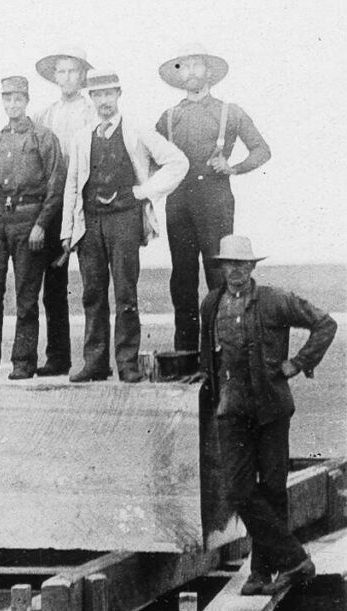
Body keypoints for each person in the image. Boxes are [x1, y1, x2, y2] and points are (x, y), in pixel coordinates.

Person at [198, 238, 332, 594]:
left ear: (253, 267)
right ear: (221, 267)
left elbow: (324, 324)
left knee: (272, 489)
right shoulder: (211, 304)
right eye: (230, 264)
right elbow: (206, 357)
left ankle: (262, 574)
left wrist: (299, 363)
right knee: (239, 491)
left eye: (243, 264)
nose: (236, 270)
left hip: (271, 410)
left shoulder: (275, 300)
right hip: (231, 412)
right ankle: (295, 560)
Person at [155, 43, 272, 354]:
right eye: (184, 66)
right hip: (178, 203)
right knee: (182, 278)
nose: (191, 72)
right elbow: (150, 159)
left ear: (209, 71)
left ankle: (220, 354)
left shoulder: (229, 112)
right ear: (178, 75)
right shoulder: (169, 117)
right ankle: (186, 354)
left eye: (197, 65)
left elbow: (262, 150)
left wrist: (233, 167)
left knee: (217, 275)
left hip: (215, 200)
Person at [65, 73, 181, 383]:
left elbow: (177, 162)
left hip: (124, 221)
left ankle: (127, 362)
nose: (103, 101)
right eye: (97, 95)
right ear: (91, 97)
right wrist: (69, 230)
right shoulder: (81, 137)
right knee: (92, 294)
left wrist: (145, 192)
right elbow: (73, 183)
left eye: (108, 94)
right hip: (90, 223)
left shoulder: (136, 131)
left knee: (126, 292)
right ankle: (95, 363)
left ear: (119, 94)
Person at [0, 76, 66, 379]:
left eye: (18, 99)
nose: (13, 104)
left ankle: (23, 360)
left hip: (28, 216)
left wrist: (41, 225)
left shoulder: (43, 138)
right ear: (3, 101)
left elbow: (55, 186)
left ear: (27, 101)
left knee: (26, 292)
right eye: (7, 99)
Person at [29, 46, 96, 376]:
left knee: (93, 283)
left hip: (86, 201)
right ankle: (58, 356)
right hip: (56, 202)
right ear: (55, 77)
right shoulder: (45, 115)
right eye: (62, 72)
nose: (68, 77)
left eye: (73, 71)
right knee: (54, 285)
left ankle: (96, 359)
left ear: (83, 75)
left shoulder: (92, 111)